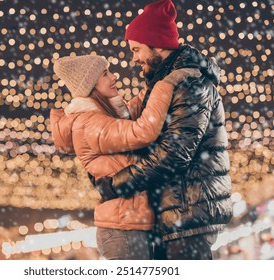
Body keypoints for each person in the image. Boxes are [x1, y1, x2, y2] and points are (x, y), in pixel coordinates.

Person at [92, 0, 233, 260]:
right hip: (174, 213)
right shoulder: (163, 85)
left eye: (136, 49)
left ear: (157, 45)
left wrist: (116, 184)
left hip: (188, 214)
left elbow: (174, 154)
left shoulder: (190, 85)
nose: (134, 58)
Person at [50, 54, 200, 259]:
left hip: (129, 226)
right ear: (90, 84)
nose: (113, 77)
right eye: (105, 74)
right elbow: (143, 131)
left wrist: (154, 84)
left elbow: (133, 111)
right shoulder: (89, 123)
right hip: (122, 230)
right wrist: (167, 84)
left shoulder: (101, 118)